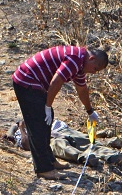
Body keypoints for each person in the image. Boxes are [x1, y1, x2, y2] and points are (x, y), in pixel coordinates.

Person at [12, 46, 108, 180]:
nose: (94, 72)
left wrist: (90, 111)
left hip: (34, 83)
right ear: (91, 59)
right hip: (26, 80)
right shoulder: (75, 59)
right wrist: (47, 106)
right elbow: (56, 81)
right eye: (95, 68)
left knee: (47, 120)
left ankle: (50, 161)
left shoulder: (80, 65)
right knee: (38, 123)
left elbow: (82, 89)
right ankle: (43, 169)